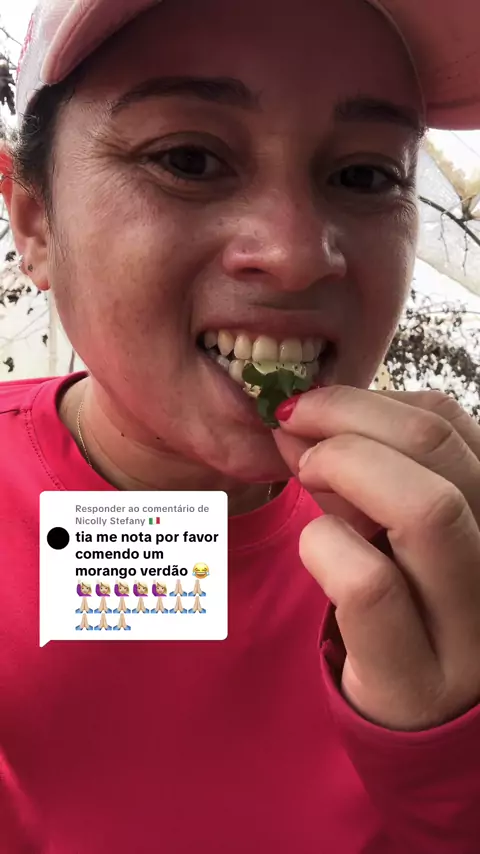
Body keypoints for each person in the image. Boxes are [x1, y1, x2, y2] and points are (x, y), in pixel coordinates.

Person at [1, 0, 480, 851]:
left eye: (366, 175)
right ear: (35, 221)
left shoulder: (452, 538)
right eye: (188, 159)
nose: (296, 256)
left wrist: (457, 771)